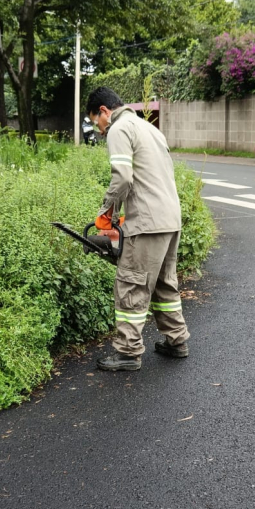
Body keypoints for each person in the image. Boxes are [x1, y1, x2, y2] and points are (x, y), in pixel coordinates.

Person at [86, 86, 190, 371]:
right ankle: (177, 341)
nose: (99, 128)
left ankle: (128, 353)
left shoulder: (119, 129)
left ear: (105, 111)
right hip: (170, 217)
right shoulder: (150, 129)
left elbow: (122, 179)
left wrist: (105, 215)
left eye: (97, 121)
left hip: (147, 222)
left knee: (131, 284)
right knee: (164, 282)